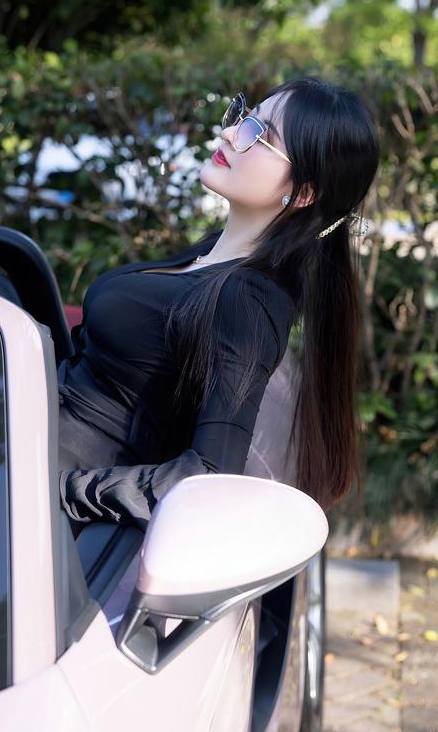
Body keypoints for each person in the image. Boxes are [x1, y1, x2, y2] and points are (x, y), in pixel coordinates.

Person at [57, 75, 380, 537]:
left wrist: (62, 490)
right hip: (5, 451)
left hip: (31, 507)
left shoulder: (251, 300)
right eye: (245, 116)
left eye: (260, 135)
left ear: (304, 193)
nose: (230, 132)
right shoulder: (209, 255)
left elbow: (209, 477)